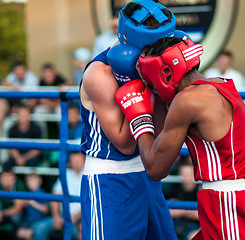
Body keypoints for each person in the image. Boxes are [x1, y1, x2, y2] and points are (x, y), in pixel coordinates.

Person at [116, 37, 245, 239]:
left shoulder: (189, 100)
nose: (152, 86)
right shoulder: (218, 85)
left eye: (152, 80)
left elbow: (155, 169)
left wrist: (140, 120)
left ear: (165, 73)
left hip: (232, 206)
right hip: (231, 201)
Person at [80, 1, 178, 239]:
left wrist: (164, 89)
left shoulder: (154, 65)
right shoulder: (100, 74)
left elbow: (160, 131)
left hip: (146, 173)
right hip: (110, 181)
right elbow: (125, 145)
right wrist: (146, 90)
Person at [32, 152, 84, 240]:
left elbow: (89, 203)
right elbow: (56, 196)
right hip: (62, 217)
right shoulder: (67, 174)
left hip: (81, 219)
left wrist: (74, 218)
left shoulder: (89, 176)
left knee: (80, 233)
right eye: (73, 160)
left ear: (84, 161)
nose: (75, 162)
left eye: (78, 160)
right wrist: (56, 217)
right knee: (39, 228)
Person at [169, 162, 200, 240]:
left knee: (194, 236)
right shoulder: (175, 189)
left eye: (188, 174)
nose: (186, 177)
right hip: (177, 225)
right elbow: (168, 212)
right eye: (183, 173)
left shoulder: (200, 191)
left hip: (196, 226)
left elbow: (200, 216)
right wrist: (189, 211)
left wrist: (180, 210)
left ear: (194, 174)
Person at [16, 173, 48, 240]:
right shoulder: (27, 192)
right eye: (29, 181)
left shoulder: (41, 193)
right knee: (19, 233)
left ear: (40, 182)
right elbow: (22, 207)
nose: (30, 183)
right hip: (28, 222)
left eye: (33, 181)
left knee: (28, 234)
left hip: (38, 222)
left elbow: (45, 209)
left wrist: (33, 203)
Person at [0, 166, 26, 239]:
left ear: (14, 179)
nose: (7, 182)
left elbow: (18, 209)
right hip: (2, 213)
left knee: (16, 218)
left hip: (14, 214)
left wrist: (3, 213)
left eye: (10, 179)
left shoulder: (19, 185)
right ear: (0, 179)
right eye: (5, 179)